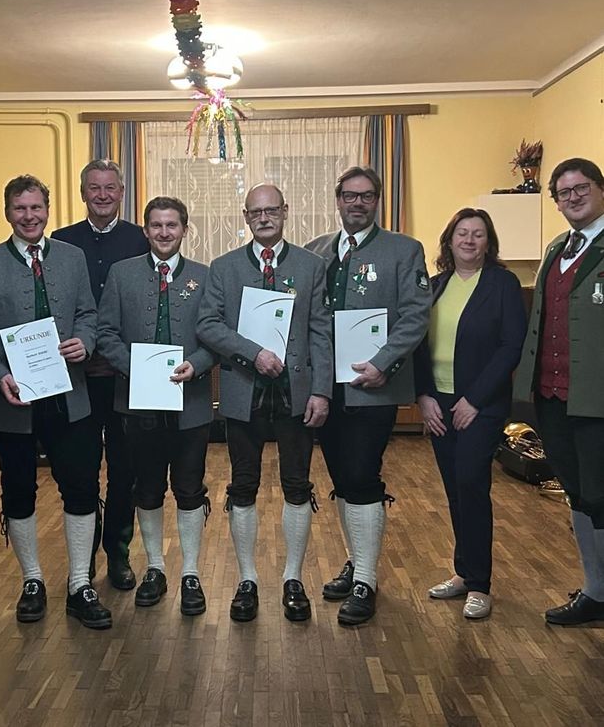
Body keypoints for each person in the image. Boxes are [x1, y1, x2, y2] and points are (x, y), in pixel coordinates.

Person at [0, 175, 112, 629]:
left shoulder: (72, 257)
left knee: (82, 488)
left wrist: (84, 341)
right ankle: (32, 579)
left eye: (36, 208)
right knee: (18, 491)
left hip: (71, 396)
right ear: (7, 212)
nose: (29, 216)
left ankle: (80, 583)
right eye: (20, 209)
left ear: (48, 210)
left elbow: (89, 313)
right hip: (12, 400)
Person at [197, 183, 332, 623]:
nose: (264, 218)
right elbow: (208, 326)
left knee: (297, 487)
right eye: (256, 212)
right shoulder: (224, 268)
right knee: (243, 486)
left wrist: (322, 390)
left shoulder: (312, 266)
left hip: (297, 395)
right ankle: (247, 579)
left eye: (272, 210)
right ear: (245, 216)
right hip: (243, 391)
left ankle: (293, 578)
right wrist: (251, 352)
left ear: (285, 212)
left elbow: (321, 331)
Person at [307, 166, 430, 626]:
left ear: (377, 200)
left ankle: (366, 579)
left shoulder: (404, 250)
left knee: (362, 474)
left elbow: (416, 317)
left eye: (366, 196)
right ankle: (356, 560)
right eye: (349, 196)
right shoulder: (317, 251)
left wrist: (384, 363)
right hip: (326, 389)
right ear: (337, 199)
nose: (357, 203)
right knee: (342, 477)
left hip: (375, 388)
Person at [97, 196, 214, 615]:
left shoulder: (205, 276)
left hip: (192, 405)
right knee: (145, 490)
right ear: (145, 230)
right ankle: (155, 568)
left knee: (189, 490)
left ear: (185, 229)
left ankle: (191, 573)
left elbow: (215, 337)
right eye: (156, 226)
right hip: (137, 405)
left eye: (172, 225)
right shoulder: (121, 274)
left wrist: (197, 364)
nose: (164, 233)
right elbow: (105, 332)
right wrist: (134, 366)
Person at [414, 208, 526, 619]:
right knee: (454, 488)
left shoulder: (503, 284)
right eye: (462, 233)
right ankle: (464, 573)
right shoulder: (435, 285)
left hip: (481, 404)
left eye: (478, 234)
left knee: (471, 484)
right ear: (450, 240)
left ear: (488, 242)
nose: (469, 240)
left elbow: (510, 346)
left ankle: (480, 583)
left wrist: (474, 400)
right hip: (439, 403)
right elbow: (417, 344)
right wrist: (424, 396)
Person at [514, 157, 604, 626]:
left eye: (580, 188)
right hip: (552, 396)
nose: (572, 197)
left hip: (597, 400)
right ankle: (595, 589)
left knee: (601, 495)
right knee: (578, 495)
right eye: (563, 192)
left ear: (599, 189)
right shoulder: (556, 248)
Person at [52, 159, 149, 590]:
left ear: (122, 191)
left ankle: (119, 553)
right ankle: (82, 559)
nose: (103, 195)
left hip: (128, 375)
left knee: (126, 470)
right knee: (81, 469)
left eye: (111, 187)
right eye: (95, 188)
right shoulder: (60, 242)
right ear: (83, 192)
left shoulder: (141, 240)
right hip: (76, 378)